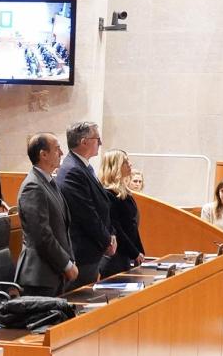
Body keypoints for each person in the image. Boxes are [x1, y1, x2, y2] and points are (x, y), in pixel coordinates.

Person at [15, 132, 75, 295]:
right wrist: (66, 264)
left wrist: (69, 260)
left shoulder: (48, 181)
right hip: (40, 278)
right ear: (43, 154)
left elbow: (61, 226)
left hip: (53, 274)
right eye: (57, 149)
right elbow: (42, 235)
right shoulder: (33, 187)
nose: (62, 153)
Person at [56, 121, 112, 288]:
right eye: (97, 138)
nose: (100, 143)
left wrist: (111, 235)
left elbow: (102, 205)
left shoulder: (83, 166)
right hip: (82, 252)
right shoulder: (73, 170)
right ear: (84, 141)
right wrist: (107, 240)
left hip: (92, 249)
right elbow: (87, 214)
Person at [100, 149, 145, 277]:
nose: (130, 164)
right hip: (115, 257)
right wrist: (134, 252)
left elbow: (132, 225)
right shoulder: (108, 193)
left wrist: (139, 251)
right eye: (125, 161)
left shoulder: (124, 192)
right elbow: (117, 228)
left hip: (126, 255)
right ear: (115, 166)